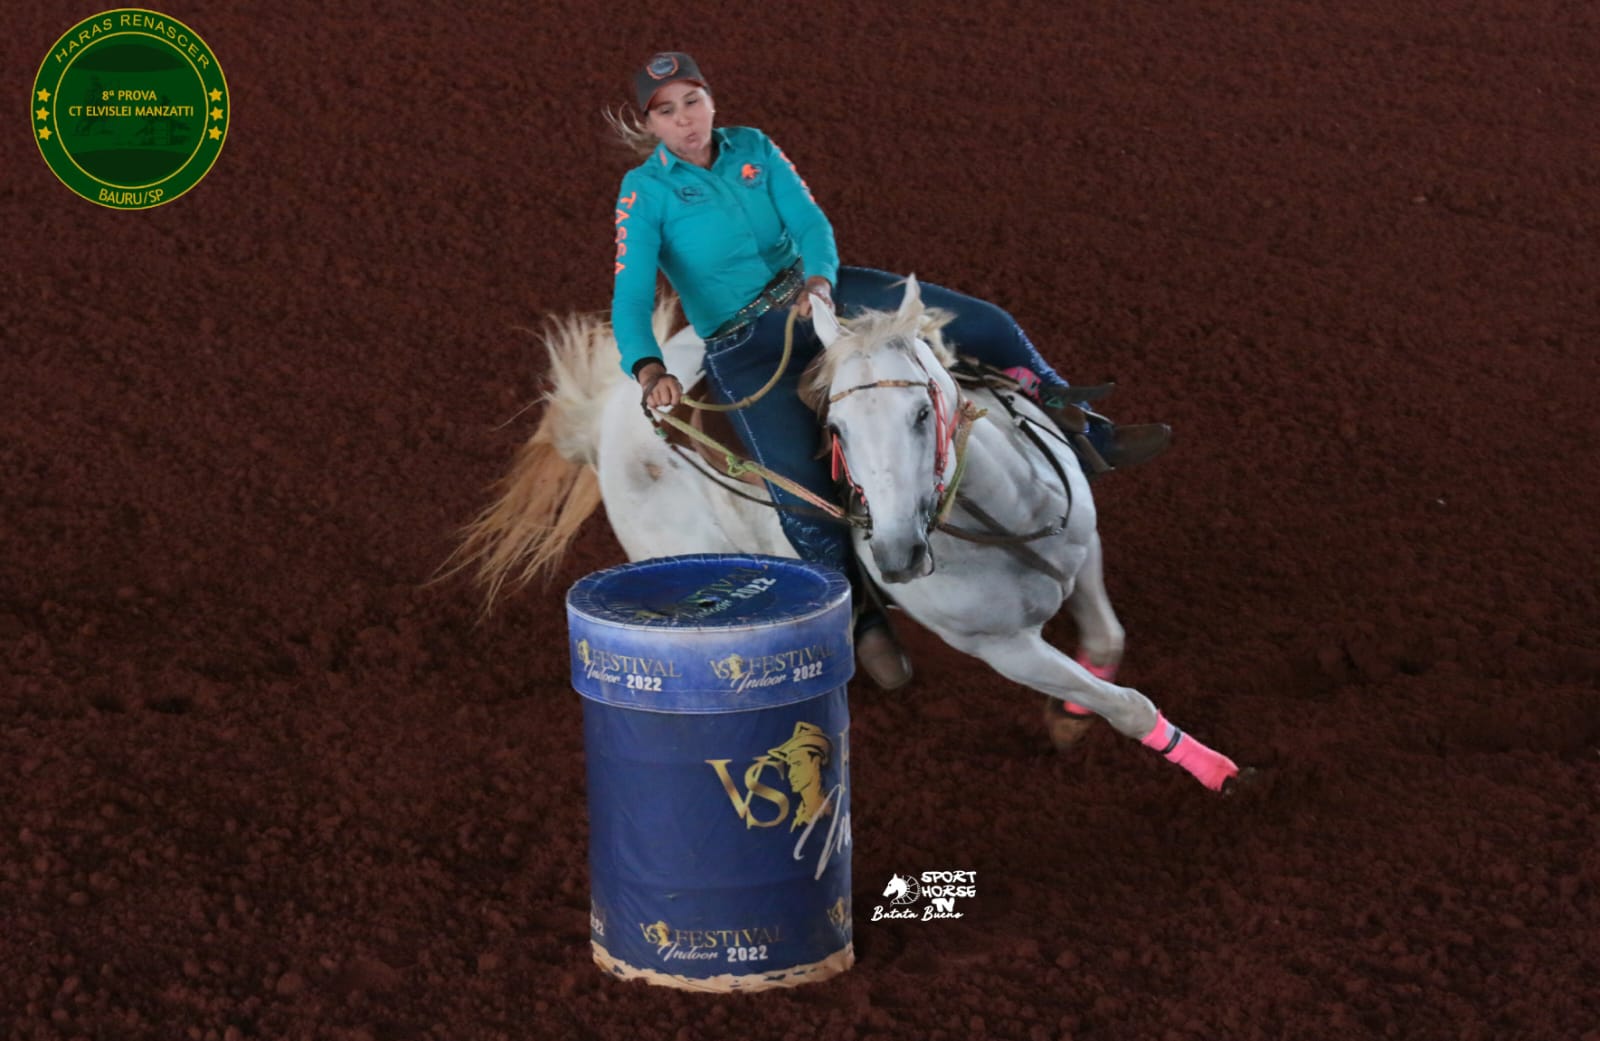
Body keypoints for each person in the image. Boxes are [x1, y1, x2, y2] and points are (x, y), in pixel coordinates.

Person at [608, 52, 1170, 690]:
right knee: (803, 496)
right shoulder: (644, 192)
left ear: (710, 100)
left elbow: (810, 223)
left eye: (693, 100)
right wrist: (649, 366)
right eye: (667, 110)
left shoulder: (755, 147)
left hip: (820, 293)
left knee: (985, 324)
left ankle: (1084, 426)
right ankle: (861, 617)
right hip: (746, 347)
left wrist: (819, 278)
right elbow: (629, 296)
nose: (686, 120)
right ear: (649, 123)